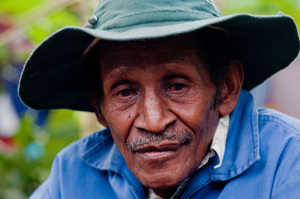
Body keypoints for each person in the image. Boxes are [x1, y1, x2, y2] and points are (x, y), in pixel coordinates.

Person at [18, 0, 300, 198]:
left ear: (226, 87)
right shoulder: (72, 176)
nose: (153, 122)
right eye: (125, 92)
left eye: (177, 86)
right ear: (99, 107)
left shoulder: (288, 161)